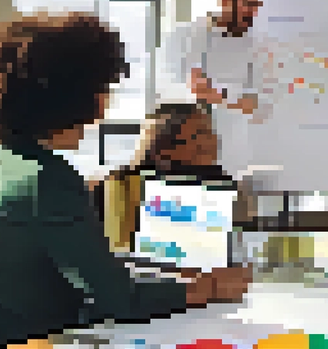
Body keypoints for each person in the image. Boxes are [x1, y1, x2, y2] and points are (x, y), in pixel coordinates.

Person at [0, 13, 210, 349]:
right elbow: (119, 301)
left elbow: (73, 263)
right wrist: (209, 287)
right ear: (71, 96)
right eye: (102, 90)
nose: (103, 107)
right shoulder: (46, 180)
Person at [101, 102, 251, 302]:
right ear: (163, 149)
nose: (211, 142)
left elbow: (235, 250)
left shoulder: (221, 184)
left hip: (209, 297)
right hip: (153, 296)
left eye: (210, 132)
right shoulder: (125, 186)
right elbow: (124, 260)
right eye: (198, 135)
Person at [156, 0, 279, 175]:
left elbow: (264, 106)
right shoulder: (182, 38)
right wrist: (201, 92)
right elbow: (165, 94)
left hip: (238, 159)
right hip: (184, 156)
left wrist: (217, 94)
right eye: (247, 4)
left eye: (257, 5)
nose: (252, 13)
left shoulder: (262, 47)